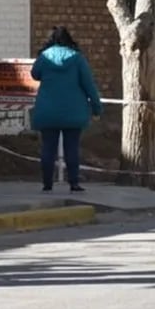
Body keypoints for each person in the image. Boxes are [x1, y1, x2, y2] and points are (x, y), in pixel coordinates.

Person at [30, 26, 103, 193]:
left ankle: (47, 184)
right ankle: (74, 183)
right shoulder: (77, 59)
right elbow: (89, 85)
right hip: (73, 112)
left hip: (47, 111)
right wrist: (97, 108)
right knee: (72, 148)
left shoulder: (44, 57)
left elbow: (35, 74)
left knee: (48, 148)